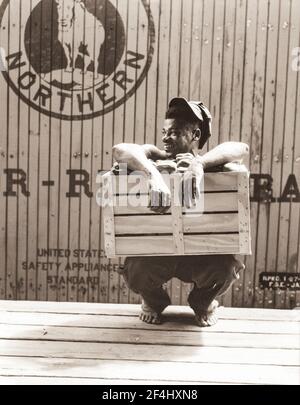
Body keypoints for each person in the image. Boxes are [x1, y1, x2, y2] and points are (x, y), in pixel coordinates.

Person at [112, 97, 248, 327]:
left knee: (225, 269)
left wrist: (199, 165)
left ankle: (202, 302)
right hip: (159, 253)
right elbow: (120, 150)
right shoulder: (155, 155)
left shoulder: (210, 162)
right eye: (164, 131)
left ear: (195, 135)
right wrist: (153, 175)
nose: (165, 138)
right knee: (135, 269)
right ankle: (154, 302)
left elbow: (241, 148)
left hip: (201, 254)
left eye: (173, 132)